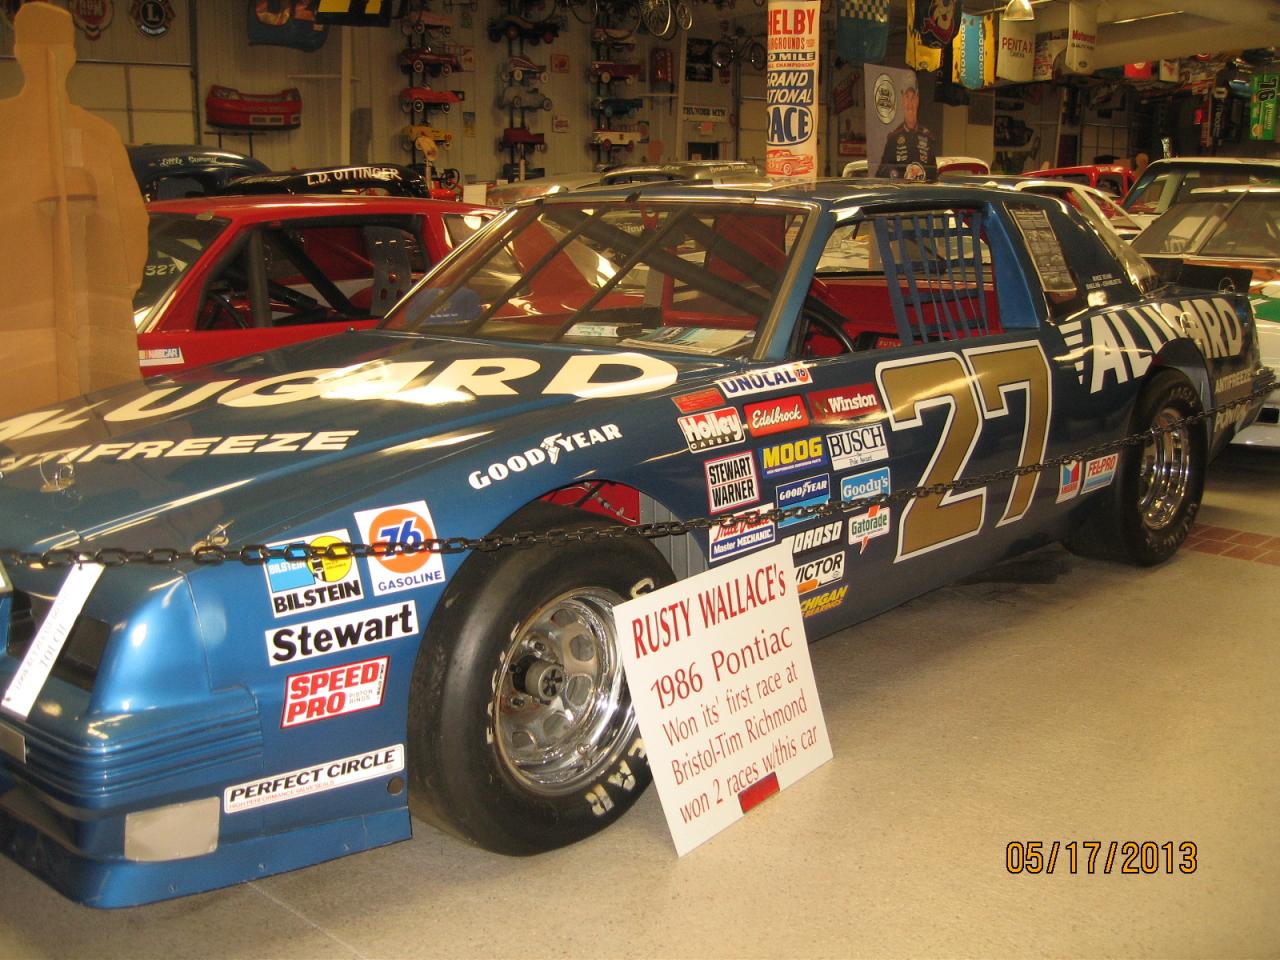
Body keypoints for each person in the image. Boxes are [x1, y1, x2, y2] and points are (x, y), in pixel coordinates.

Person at [874, 73, 936, 181]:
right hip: (901, 190)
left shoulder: (927, 137)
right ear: (902, 99)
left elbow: (934, 174)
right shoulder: (893, 138)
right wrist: (899, 174)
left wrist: (921, 172)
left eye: (913, 97)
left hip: (922, 191)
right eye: (907, 97)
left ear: (917, 100)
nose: (910, 104)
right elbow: (881, 173)